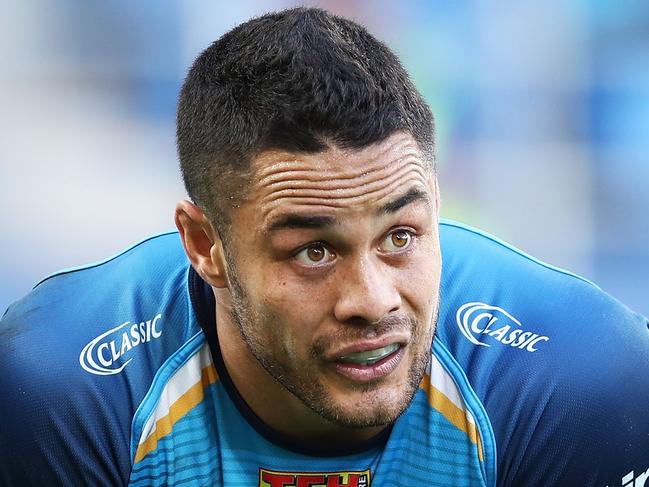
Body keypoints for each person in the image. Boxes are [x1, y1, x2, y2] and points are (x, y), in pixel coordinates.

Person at [1, 7, 647, 487]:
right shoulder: (62, 393)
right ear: (205, 245)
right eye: (314, 251)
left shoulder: (579, 380)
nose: (371, 300)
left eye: (400, 236)